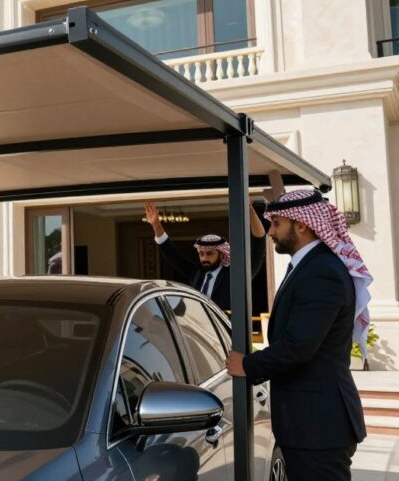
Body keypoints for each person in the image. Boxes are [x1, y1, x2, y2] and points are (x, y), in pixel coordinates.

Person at [227, 189, 371, 481]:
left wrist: (247, 365)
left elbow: (300, 344)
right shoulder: (311, 265)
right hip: (311, 423)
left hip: (318, 426)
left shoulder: (322, 271)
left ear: (301, 225)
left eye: (277, 223)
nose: (271, 232)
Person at [143, 200, 268, 313]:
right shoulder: (196, 273)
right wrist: (156, 224)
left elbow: (258, 245)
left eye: (209, 253)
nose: (204, 258)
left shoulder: (235, 275)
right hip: (200, 330)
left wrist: (250, 211)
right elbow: (171, 254)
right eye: (201, 253)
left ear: (221, 253)